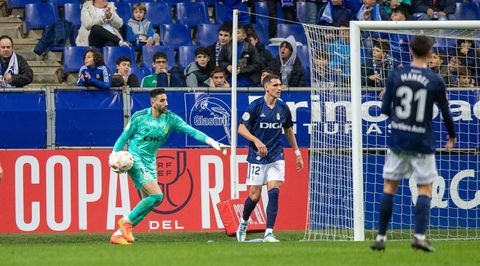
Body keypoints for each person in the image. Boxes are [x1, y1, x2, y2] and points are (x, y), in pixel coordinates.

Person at [109, 88, 228, 245]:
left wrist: (214, 143)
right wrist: (113, 155)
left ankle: (118, 235)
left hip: (150, 161)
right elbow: (124, 137)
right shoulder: (140, 117)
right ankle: (125, 222)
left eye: (166, 100)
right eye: (162, 100)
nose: (166, 103)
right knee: (157, 196)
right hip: (135, 160)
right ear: (153, 103)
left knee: (152, 202)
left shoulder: (170, 119)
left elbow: (192, 131)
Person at [371, 35, 456, 252]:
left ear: (410, 51)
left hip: (399, 139)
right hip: (422, 141)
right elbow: (445, 112)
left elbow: (384, 109)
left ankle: (381, 237)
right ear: (429, 54)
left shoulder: (396, 74)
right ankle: (419, 236)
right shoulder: (435, 80)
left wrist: (401, 121)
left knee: (390, 186)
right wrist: (452, 135)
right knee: (425, 188)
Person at [236, 74, 304, 242]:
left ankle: (269, 232)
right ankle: (243, 223)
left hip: (276, 155)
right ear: (267, 88)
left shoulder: (283, 108)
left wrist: (297, 153)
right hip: (257, 156)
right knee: (254, 196)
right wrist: (256, 140)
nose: (279, 88)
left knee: (274, 192)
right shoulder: (256, 106)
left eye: (280, 85)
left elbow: (288, 131)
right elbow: (241, 129)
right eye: (275, 85)